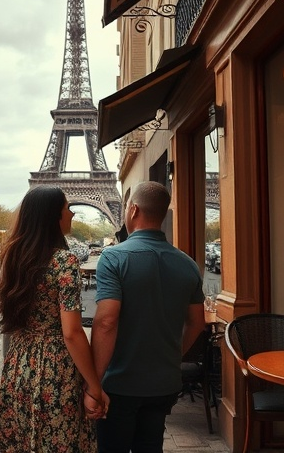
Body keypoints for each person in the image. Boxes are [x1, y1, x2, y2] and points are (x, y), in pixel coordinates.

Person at [91, 181, 205, 453]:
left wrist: (93, 382)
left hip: (120, 382)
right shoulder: (188, 263)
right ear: (163, 214)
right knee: (150, 446)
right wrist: (173, 356)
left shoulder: (113, 258)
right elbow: (197, 322)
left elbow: (106, 322)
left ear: (132, 210)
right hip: (164, 382)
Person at [0, 186, 108, 452]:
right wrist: (94, 386)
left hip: (19, 363)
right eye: (68, 208)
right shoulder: (64, 262)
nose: (73, 213)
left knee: (21, 437)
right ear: (53, 215)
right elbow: (72, 333)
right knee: (60, 440)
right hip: (56, 368)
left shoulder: (13, 257)